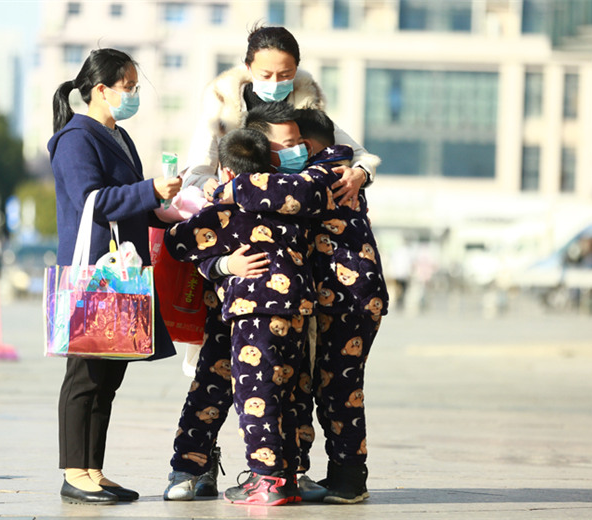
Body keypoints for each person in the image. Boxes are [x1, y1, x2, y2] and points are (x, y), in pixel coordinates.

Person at [220, 105, 388, 503]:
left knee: (340, 389)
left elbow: (290, 194)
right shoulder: (325, 170)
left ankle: (349, 478)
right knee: (326, 387)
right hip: (335, 298)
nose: (283, 154)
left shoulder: (328, 172)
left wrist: (231, 188)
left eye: (292, 144)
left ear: (309, 147)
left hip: (349, 300)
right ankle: (330, 474)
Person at [48, 48, 182, 506]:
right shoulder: (75, 138)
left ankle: (93, 469)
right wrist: (149, 190)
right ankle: (73, 472)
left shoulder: (118, 136)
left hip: (123, 269)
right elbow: (93, 201)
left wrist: (168, 204)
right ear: (101, 90)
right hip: (94, 270)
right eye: (129, 87)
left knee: (108, 377)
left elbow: (130, 201)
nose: (134, 95)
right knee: (84, 375)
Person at [165, 127, 318, 506]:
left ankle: (264, 479)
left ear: (228, 172)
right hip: (295, 313)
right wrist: (223, 265)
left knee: (255, 394)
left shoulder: (224, 213)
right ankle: (288, 474)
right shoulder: (291, 204)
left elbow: (177, 241)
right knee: (287, 393)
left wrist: (218, 264)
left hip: (251, 316)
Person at [182, 24, 377, 211]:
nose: (275, 83)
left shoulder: (306, 109)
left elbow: (360, 156)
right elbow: (195, 172)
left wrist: (359, 174)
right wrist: (207, 184)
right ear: (248, 67)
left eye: (285, 74)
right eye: (266, 75)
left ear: (296, 69)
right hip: (236, 215)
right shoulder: (222, 112)